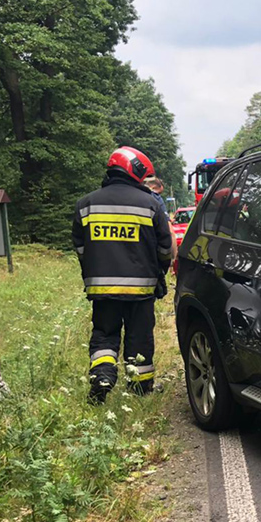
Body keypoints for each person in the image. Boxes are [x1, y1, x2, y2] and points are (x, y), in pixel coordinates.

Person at [71, 147, 173, 403]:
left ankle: (102, 378)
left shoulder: (86, 204)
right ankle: (140, 388)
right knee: (140, 338)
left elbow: (81, 249)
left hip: (102, 290)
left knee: (104, 335)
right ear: (135, 170)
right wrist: (160, 273)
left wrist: (93, 273)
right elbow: (165, 248)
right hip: (141, 290)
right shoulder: (150, 204)